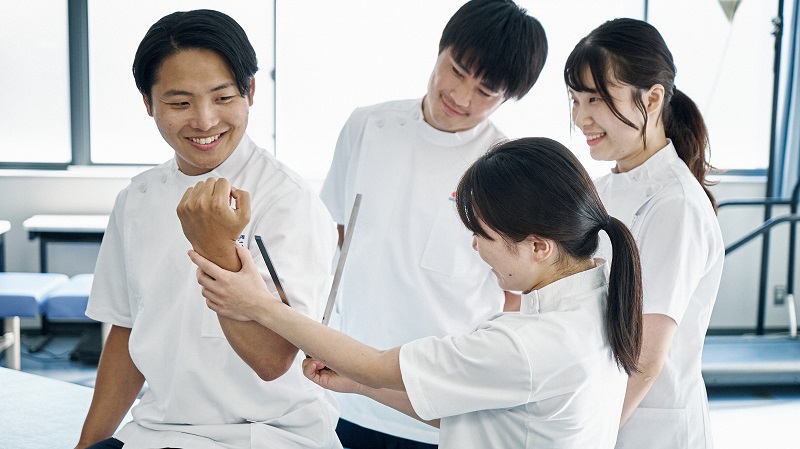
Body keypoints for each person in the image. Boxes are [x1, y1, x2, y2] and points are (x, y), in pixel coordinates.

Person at [186, 137, 644, 449]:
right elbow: (479, 416)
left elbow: (376, 365)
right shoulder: (598, 304)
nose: (475, 247)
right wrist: (359, 385)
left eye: (483, 235)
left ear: (539, 246)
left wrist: (259, 305)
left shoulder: (531, 345)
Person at [76, 10, 340, 449]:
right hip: (158, 431)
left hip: (268, 434)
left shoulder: (287, 200)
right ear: (148, 103)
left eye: (222, 97)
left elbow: (273, 360)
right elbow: (127, 331)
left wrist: (216, 247)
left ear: (250, 92)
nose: (204, 120)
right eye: (179, 103)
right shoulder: (137, 198)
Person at [318, 1, 548, 446]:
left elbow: (515, 297)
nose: (461, 96)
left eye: (485, 91)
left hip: (439, 409)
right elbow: (336, 239)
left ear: (507, 98)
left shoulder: (506, 170)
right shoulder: (367, 127)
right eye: (456, 70)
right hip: (347, 392)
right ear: (441, 49)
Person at [565, 18, 725, 449]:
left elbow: (645, 359)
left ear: (652, 99)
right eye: (575, 99)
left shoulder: (676, 205)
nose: (581, 117)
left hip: (649, 428)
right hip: (603, 410)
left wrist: (584, 439)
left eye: (596, 98)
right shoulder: (600, 189)